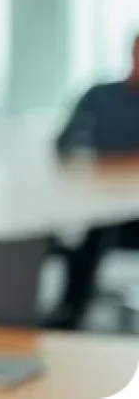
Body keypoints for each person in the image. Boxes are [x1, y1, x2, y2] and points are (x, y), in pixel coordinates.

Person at [47, 32, 139, 329]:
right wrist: (110, 162)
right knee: (90, 234)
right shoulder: (101, 97)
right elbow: (65, 146)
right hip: (103, 206)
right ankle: (70, 312)